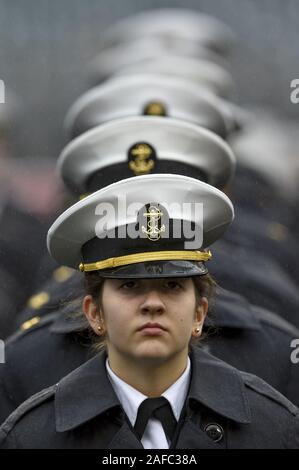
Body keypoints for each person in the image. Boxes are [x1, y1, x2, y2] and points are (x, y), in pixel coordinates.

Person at [1, 174, 298, 449]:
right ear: (94, 313)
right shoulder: (34, 437)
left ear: (199, 312)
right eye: (129, 285)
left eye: (172, 285)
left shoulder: (273, 428)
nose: (153, 303)